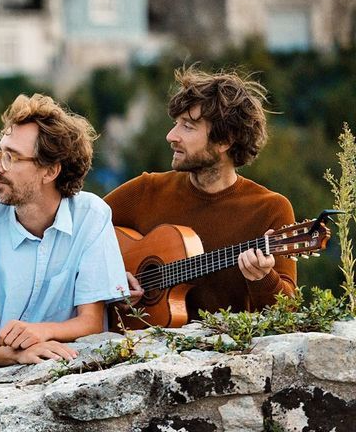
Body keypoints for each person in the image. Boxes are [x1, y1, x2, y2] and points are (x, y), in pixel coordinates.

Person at [0, 93, 128, 380]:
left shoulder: (92, 216)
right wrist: (18, 354)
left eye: (10, 157)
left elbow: (91, 322)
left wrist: (40, 331)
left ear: (50, 171)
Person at [105, 67, 297, 322]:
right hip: (139, 347)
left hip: (225, 356)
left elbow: (287, 315)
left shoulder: (270, 209)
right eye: (176, 124)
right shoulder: (146, 190)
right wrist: (113, 276)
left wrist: (264, 278)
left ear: (224, 141)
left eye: (188, 126)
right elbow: (77, 234)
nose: (171, 136)